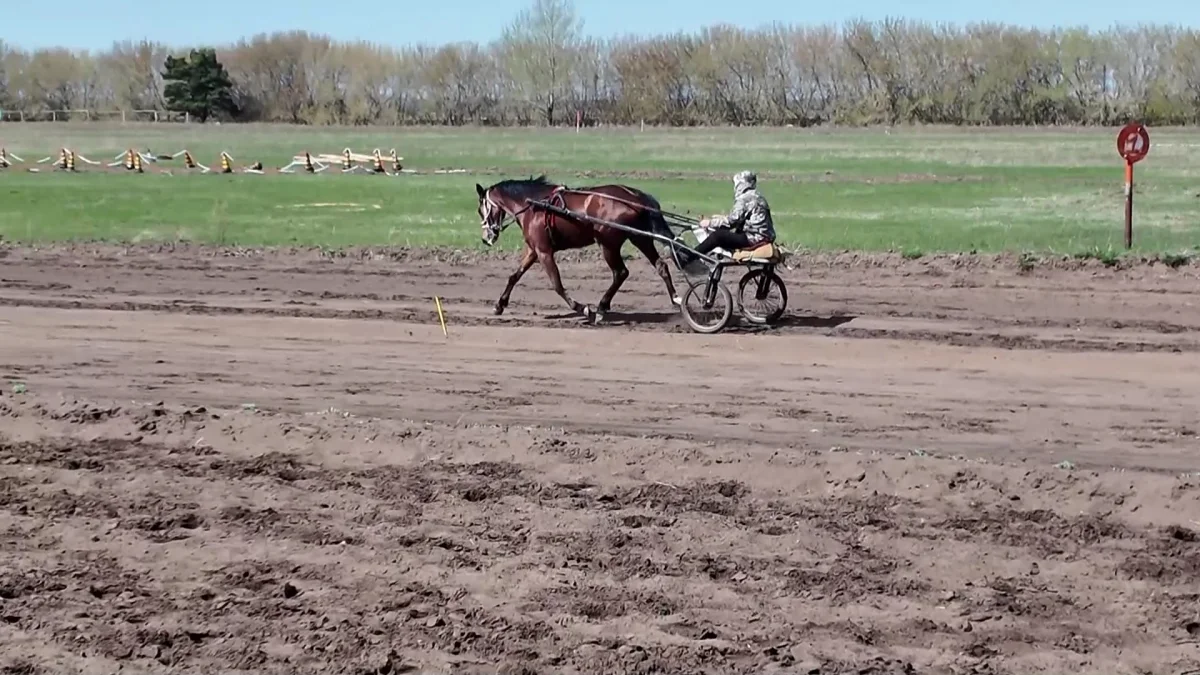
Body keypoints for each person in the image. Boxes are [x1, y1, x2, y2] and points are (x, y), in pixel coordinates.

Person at [693, 171, 776, 257]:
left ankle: (688, 256)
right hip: (764, 237)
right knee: (724, 233)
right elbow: (741, 218)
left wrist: (710, 223)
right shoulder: (757, 196)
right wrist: (721, 218)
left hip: (754, 238)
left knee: (717, 236)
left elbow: (731, 222)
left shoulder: (745, 198)